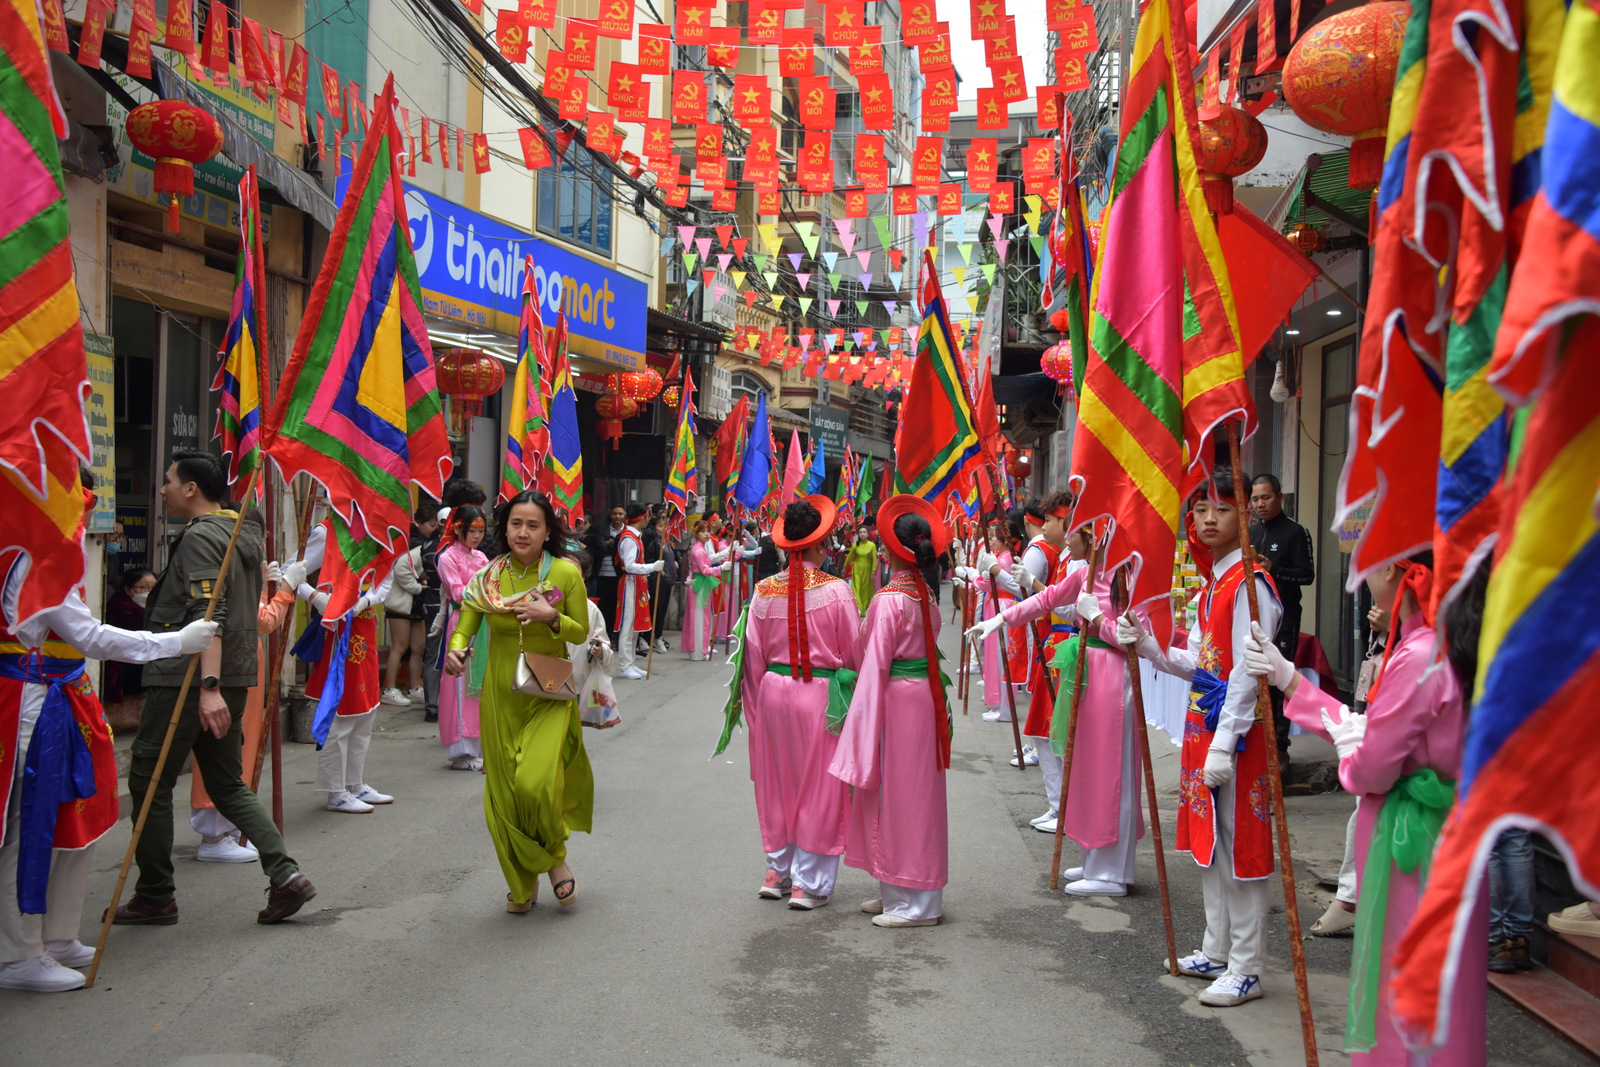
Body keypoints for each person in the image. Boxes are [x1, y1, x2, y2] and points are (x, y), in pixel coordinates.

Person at [1245, 550, 1485, 1060]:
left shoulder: (1419, 654)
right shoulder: (1444, 642)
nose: (1363, 578)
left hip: (1410, 841)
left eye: (1373, 566)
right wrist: (1290, 679)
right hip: (1448, 834)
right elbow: (1371, 730)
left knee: (1405, 982)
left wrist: (1354, 758)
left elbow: (1372, 763)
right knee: (1440, 984)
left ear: (1400, 574)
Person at [0, 495, 218, 991]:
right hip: (34, 702)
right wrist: (176, 643)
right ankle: (19, 953)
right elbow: (93, 637)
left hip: (68, 696)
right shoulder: (34, 558)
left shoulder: (54, 554)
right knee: (29, 826)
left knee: (80, 819)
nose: (87, 516)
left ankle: (56, 936)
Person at [119, 449, 314, 928]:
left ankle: (155, 893)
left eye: (168, 481)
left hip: (189, 678)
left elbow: (209, 617)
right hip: (225, 676)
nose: (162, 489)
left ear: (191, 489)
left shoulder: (205, 537)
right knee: (227, 784)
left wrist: (207, 686)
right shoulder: (236, 533)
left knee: (149, 782)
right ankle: (285, 875)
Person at [1118, 466, 1280, 1007]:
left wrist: (1223, 744)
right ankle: (1216, 948)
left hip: (1238, 739)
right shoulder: (1215, 584)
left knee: (1242, 852)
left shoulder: (1252, 586)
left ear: (1247, 515)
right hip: (1205, 731)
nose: (1210, 519)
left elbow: (1248, 673)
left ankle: (1248, 964)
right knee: (1210, 847)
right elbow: (1206, 665)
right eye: (1202, 509)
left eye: (1225, 508)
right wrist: (1146, 645)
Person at [970, 520, 1146, 896]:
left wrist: (1097, 619)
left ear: (1095, 537)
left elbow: (1133, 637)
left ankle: (1112, 870)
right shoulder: (1083, 572)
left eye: (1076, 530)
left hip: (1113, 677)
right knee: (1086, 770)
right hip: (1086, 673)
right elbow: (1045, 600)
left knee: (1109, 770)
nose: (1067, 535)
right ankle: (1093, 858)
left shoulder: (1126, 577)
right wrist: (1000, 617)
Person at [446, 490, 592, 912]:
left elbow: (580, 631)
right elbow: (465, 627)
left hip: (547, 686)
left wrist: (553, 618)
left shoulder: (564, 573)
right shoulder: (487, 577)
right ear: (504, 528)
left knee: (535, 782)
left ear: (548, 532)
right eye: (515, 524)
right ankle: (521, 878)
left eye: (533, 525)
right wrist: (456, 651)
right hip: (500, 691)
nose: (522, 532)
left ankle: (553, 861)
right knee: (505, 791)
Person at [725, 496, 860, 909]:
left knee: (778, 781)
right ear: (821, 544)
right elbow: (854, 653)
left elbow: (752, 658)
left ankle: (777, 870)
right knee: (820, 786)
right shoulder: (838, 591)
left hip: (773, 693)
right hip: (821, 695)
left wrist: (754, 710)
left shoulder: (764, 591)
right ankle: (808, 881)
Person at [830, 495, 952, 928]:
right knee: (912, 794)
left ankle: (915, 903)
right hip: (921, 697)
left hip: (897, 699)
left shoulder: (888, 600)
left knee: (902, 796)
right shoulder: (925, 594)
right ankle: (897, 888)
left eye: (882, 544)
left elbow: (874, 661)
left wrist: (860, 720)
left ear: (890, 551)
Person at [186, 551, 296, 864]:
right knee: (225, 746)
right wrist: (285, 588)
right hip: (230, 668)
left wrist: (266, 586)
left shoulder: (240, 571)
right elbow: (264, 620)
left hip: (244, 666)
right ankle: (214, 832)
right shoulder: (226, 572)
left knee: (240, 746)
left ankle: (228, 829)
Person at [288, 515, 395, 813]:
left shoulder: (379, 530)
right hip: (337, 632)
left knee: (365, 710)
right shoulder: (327, 532)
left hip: (364, 626)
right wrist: (316, 598)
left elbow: (385, 579)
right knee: (340, 712)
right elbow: (288, 573)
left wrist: (364, 602)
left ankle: (355, 783)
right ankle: (335, 791)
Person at [1248, 474, 1314, 762]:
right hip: (1253, 619)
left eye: (1266, 497)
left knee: (1278, 682)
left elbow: (1307, 575)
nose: (1260, 504)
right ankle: (1256, 744)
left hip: (1284, 620)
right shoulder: (1250, 533)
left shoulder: (1295, 532)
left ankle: (1279, 749)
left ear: (1280, 497)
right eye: (1255, 499)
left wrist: (1274, 569)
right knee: (1253, 678)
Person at [431, 506, 490, 770]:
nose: (476, 536)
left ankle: (477, 747)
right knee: (461, 683)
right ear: (457, 529)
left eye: (480, 531)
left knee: (479, 684)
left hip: (483, 624)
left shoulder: (481, 556)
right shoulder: (447, 558)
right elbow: (457, 593)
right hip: (462, 623)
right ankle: (461, 752)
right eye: (472, 531)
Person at [379, 516, 431, 707]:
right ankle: (389, 689)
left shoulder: (434, 548)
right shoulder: (422, 549)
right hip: (401, 605)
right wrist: (418, 588)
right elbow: (402, 568)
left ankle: (414, 687)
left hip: (417, 607)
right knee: (399, 647)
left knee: (419, 647)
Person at [566, 552, 619, 729]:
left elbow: (607, 654)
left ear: (583, 577)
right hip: (546, 683)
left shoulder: (591, 610)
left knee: (573, 735)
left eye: (574, 572)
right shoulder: (545, 605)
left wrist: (600, 650)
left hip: (578, 685)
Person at [613, 503, 664, 679]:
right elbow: (629, 566)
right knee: (627, 626)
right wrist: (652, 567)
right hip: (629, 583)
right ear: (641, 518)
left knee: (635, 626)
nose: (648, 519)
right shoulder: (628, 538)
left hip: (637, 583)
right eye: (646, 516)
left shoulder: (636, 536)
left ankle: (631, 663)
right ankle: (625, 665)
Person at [101, 566, 156, 707]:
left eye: (153, 588)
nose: (148, 592)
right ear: (128, 589)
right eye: (143, 588)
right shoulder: (121, 606)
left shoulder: (153, 607)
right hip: (124, 671)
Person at [417, 501, 445, 724]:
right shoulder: (449, 549)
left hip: (432, 603)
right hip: (444, 605)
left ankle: (432, 705)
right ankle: (439, 704)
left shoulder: (427, 546)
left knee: (432, 656)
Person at [682, 521, 725, 661]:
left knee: (701, 619)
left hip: (699, 584)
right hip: (700, 585)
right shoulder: (699, 550)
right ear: (696, 533)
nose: (706, 534)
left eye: (708, 531)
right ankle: (698, 651)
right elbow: (705, 571)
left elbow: (694, 569)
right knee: (699, 620)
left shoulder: (699, 548)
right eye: (702, 531)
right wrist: (722, 568)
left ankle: (700, 650)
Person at [586, 504, 627, 639]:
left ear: (624, 515)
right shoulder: (602, 530)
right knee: (602, 605)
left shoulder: (627, 532)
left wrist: (612, 545)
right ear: (610, 515)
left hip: (618, 574)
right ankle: (603, 633)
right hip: (602, 573)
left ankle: (614, 634)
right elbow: (599, 549)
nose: (617, 516)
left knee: (616, 605)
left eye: (620, 514)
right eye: (615, 513)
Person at [845, 526, 878, 615]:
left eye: (864, 532)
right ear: (858, 535)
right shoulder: (855, 545)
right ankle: (858, 607)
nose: (862, 534)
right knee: (856, 588)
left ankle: (865, 609)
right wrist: (845, 567)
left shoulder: (872, 545)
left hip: (868, 570)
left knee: (866, 589)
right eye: (860, 532)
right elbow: (849, 556)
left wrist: (873, 571)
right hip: (857, 570)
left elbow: (874, 559)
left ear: (867, 534)